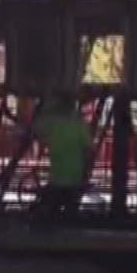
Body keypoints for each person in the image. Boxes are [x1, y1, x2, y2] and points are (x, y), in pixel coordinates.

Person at [33, 95, 91, 225]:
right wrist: (86, 170)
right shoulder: (80, 125)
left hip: (57, 174)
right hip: (75, 173)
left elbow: (39, 134)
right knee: (71, 206)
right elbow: (88, 149)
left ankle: (52, 225)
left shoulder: (53, 126)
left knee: (53, 205)